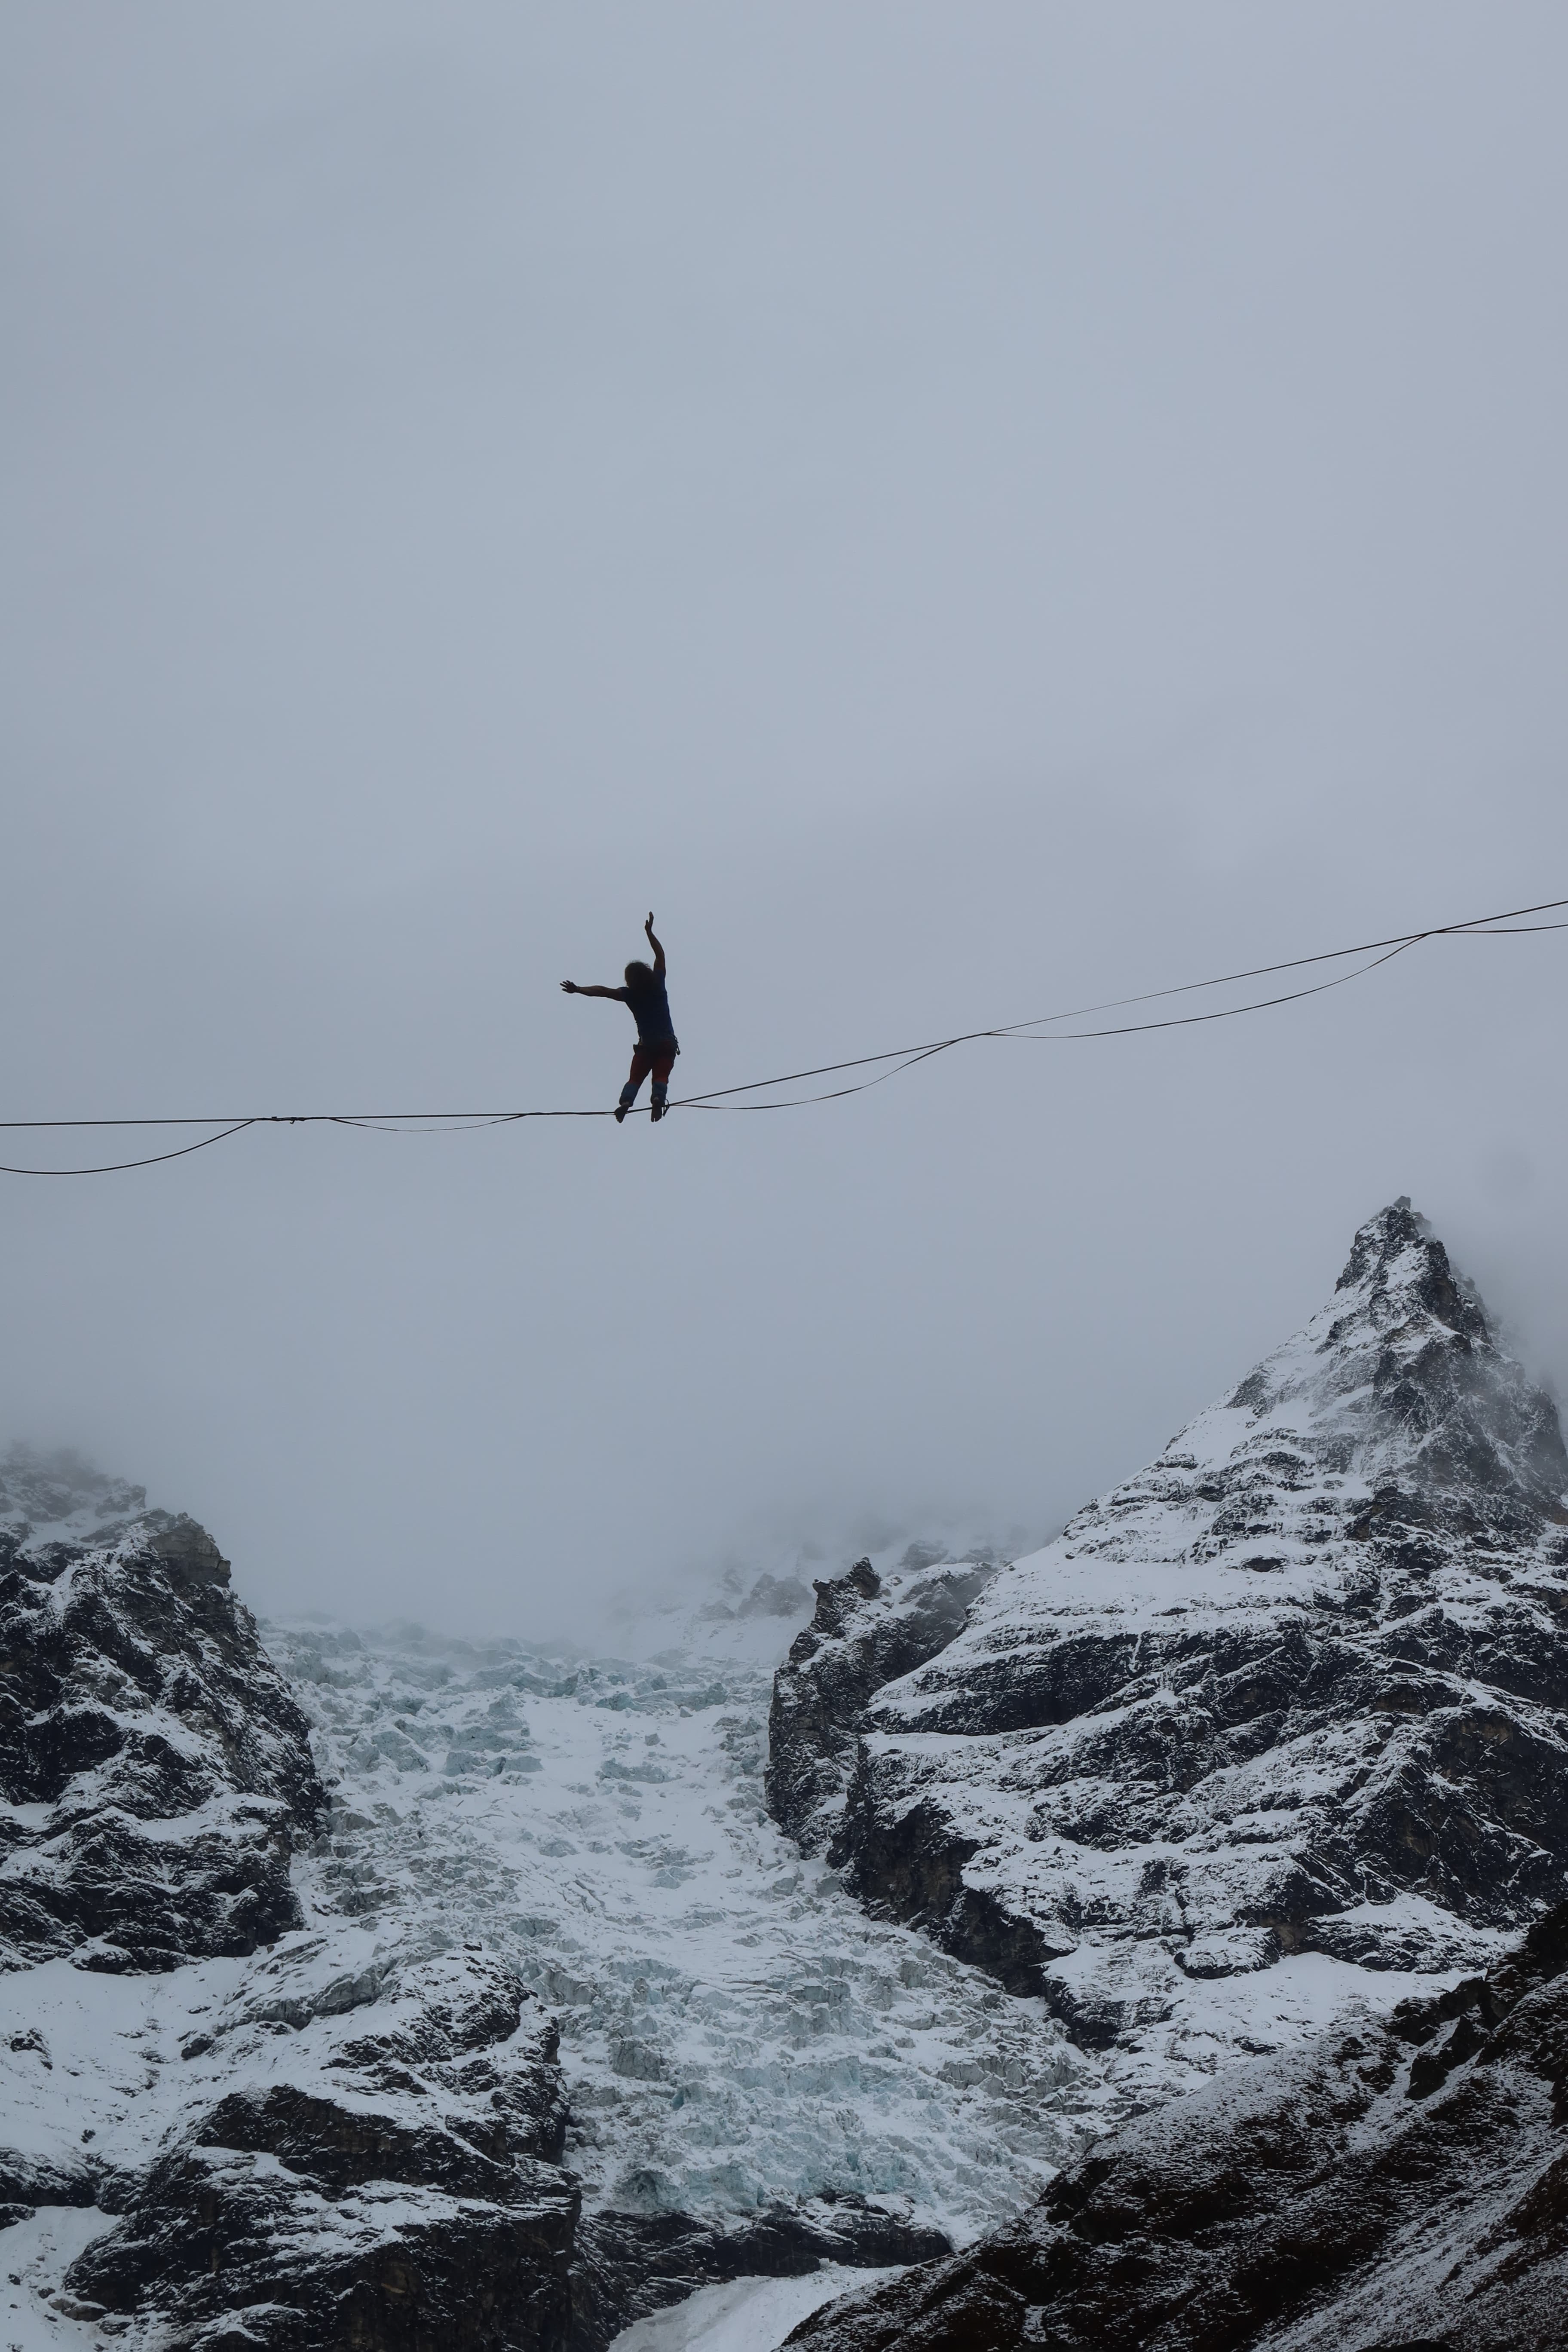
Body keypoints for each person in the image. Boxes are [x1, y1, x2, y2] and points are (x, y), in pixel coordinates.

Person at [560, 913, 680, 1123]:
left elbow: (602, 991)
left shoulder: (630, 994)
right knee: (661, 1075)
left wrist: (579, 989)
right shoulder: (657, 984)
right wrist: (650, 933)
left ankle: (626, 1102)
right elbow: (660, 956)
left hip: (646, 1045)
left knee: (635, 1078)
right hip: (667, 1043)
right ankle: (658, 1098)